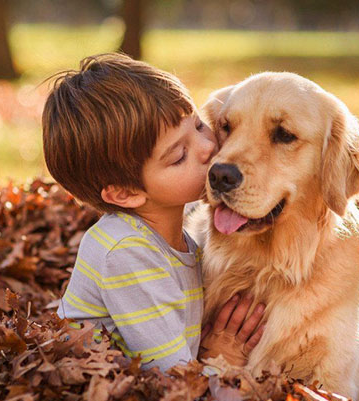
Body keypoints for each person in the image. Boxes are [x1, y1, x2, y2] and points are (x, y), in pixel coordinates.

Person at [42, 53, 265, 373]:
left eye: (199, 125)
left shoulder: (177, 237)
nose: (206, 147)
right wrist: (219, 360)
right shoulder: (127, 253)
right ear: (125, 193)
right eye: (179, 156)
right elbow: (173, 379)